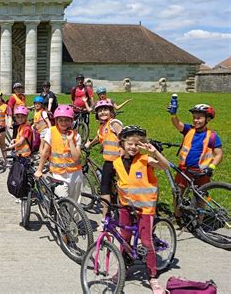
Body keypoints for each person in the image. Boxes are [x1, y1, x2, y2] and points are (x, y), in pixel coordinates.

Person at [113, 125, 169, 293]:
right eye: (130, 143)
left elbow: (165, 166)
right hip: (125, 206)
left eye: (137, 144)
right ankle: (124, 268)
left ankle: (153, 275)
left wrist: (154, 152)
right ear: (122, 144)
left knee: (146, 241)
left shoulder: (145, 159)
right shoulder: (116, 162)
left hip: (145, 208)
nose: (133, 147)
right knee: (124, 238)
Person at [169, 103, 223, 222]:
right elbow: (178, 124)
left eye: (199, 118)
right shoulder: (189, 130)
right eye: (194, 117)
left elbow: (219, 154)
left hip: (202, 172)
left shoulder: (212, 136)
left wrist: (211, 167)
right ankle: (177, 217)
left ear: (207, 119)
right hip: (184, 169)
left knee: (200, 198)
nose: (196, 120)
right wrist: (173, 114)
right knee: (178, 193)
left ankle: (199, 221)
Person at [34, 105, 83, 204]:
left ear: (71, 121)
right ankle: (64, 218)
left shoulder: (76, 135)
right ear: (56, 121)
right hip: (58, 174)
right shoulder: (51, 132)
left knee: (75, 203)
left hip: (75, 174)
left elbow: (76, 158)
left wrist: (70, 141)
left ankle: (75, 220)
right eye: (61, 120)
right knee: (62, 201)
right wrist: (39, 170)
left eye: (66, 120)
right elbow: (45, 152)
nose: (64, 123)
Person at [85, 100, 123, 213]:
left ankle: (123, 211)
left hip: (119, 160)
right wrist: (89, 144)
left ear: (111, 112)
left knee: (121, 187)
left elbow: (124, 138)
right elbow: (99, 137)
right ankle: (106, 215)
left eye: (105, 109)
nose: (103, 112)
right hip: (109, 161)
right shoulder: (102, 126)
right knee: (105, 187)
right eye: (100, 111)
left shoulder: (114, 123)